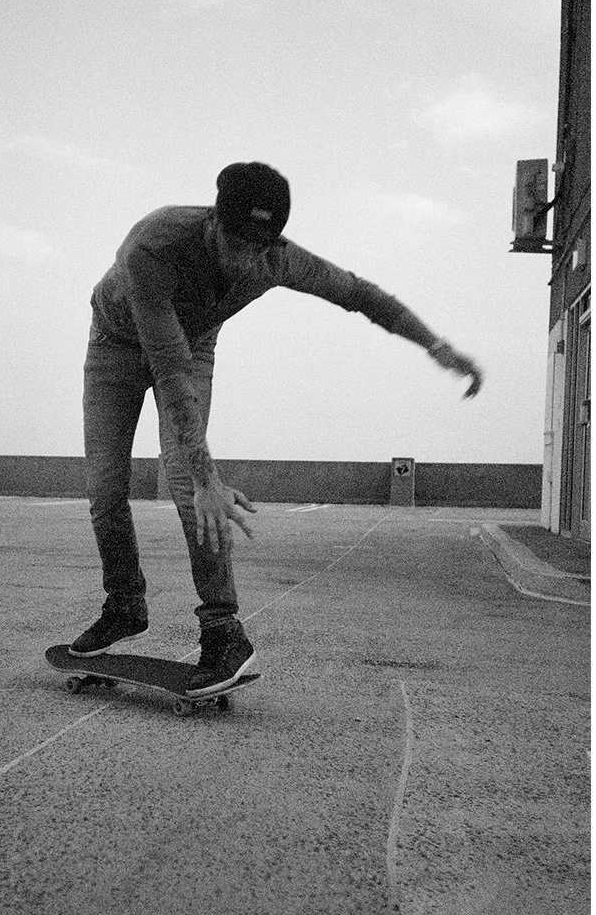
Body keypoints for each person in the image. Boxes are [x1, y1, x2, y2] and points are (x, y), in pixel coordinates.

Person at [69, 161, 484, 694]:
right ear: (213, 224)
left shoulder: (277, 259)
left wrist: (434, 344)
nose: (244, 261)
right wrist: (205, 474)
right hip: (116, 345)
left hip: (194, 346)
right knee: (106, 486)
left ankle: (222, 631)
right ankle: (123, 603)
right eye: (235, 245)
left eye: (257, 250)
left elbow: (360, 294)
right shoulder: (155, 245)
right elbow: (169, 373)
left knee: (193, 489)